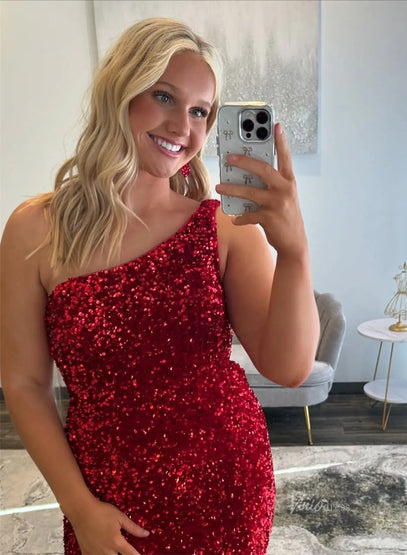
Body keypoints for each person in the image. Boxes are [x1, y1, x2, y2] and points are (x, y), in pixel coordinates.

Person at [0, 17, 320, 555]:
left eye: (200, 111)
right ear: (120, 92)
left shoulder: (223, 229)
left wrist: (294, 250)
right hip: (106, 499)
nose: (182, 126)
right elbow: (24, 383)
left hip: (226, 487)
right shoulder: (35, 230)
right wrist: (79, 508)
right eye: (164, 96)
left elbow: (289, 369)